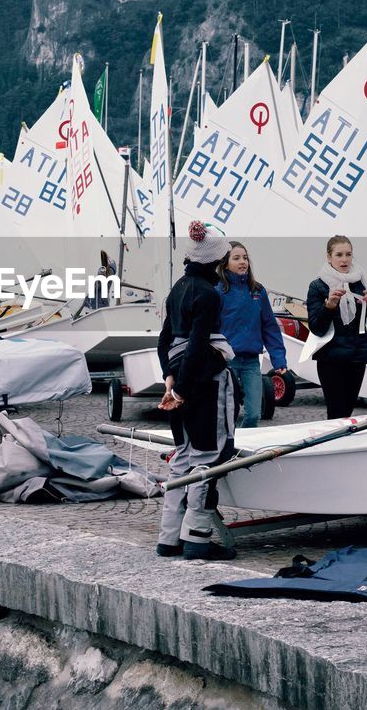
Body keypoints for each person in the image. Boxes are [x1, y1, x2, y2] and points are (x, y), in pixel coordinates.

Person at [155, 221, 237, 561]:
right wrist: (184, 389)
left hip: (180, 376)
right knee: (208, 456)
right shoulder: (208, 295)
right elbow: (199, 343)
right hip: (205, 381)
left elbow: (164, 340)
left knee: (183, 457)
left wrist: (170, 380)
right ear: (217, 262)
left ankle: (169, 537)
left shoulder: (177, 289)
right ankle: (197, 539)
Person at [304, 236, 367, 419]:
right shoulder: (318, 286)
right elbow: (316, 327)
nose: (344, 259)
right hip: (330, 359)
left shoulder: (363, 283)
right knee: (336, 413)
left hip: (357, 357)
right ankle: (331, 446)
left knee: (348, 412)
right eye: (339, 255)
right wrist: (329, 306)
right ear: (329, 257)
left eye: (348, 254)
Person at [217, 241, 288, 429]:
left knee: (254, 414)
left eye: (245, 258)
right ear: (225, 263)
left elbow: (270, 327)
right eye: (236, 258)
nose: (243, 262)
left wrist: (279, 359)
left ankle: (243, 451)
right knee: (226, 413)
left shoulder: (257, 291)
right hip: (226, 362)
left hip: (250, 362)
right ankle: (227, 450)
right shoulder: (218, 291)